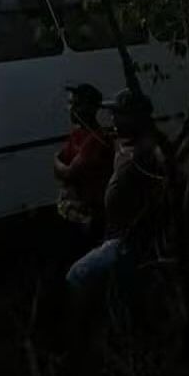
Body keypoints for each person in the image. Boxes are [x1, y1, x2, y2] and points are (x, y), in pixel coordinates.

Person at [64, 88, 170, 371]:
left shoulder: (151, 151)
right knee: (124, 295)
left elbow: (166, 193)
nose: (112, 119)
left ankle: (80, 349)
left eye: (118, 114)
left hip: (130, 239)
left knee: (78, 275)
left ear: (136, 117)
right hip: (114, 232)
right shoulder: (123, 143)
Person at [54, 84, 113, 261]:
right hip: (75, 213)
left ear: (90, 108)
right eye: (71, 104)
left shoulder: (96, 139)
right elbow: (60, 167)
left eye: (76, 104)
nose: (71, 109)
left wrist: (58, 163)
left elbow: (68, 171)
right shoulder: (77, 135)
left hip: (93, 216)